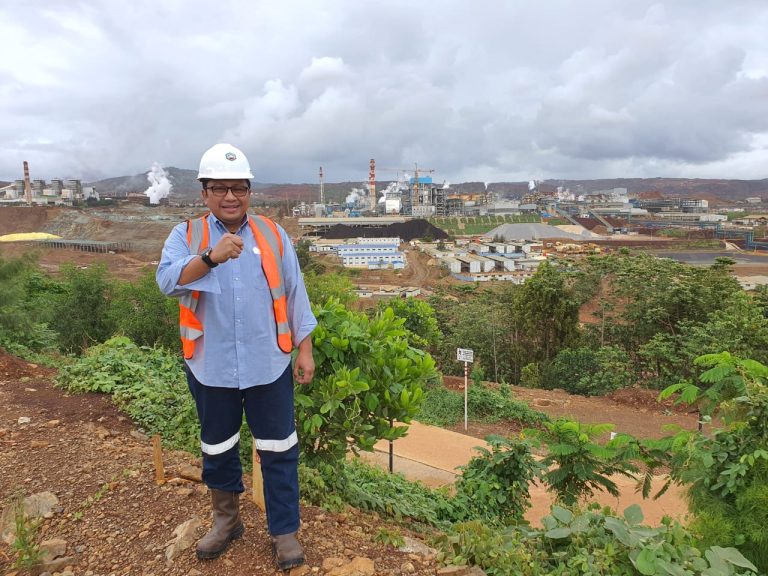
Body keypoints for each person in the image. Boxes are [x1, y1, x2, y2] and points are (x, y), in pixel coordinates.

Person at [156, 143, 316, 570]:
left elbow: (295, 292)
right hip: (211, 368)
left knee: (279, 448)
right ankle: (226, 522)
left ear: (250, 190)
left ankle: (284, 532)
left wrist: (305, 348)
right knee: (218, 447)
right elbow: (168, 282)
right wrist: (209, 258)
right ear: (204, 192)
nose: (231, 196)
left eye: (239, 187)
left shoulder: (272, 234)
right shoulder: (186, 235)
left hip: (269, 364)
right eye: (220, 188)